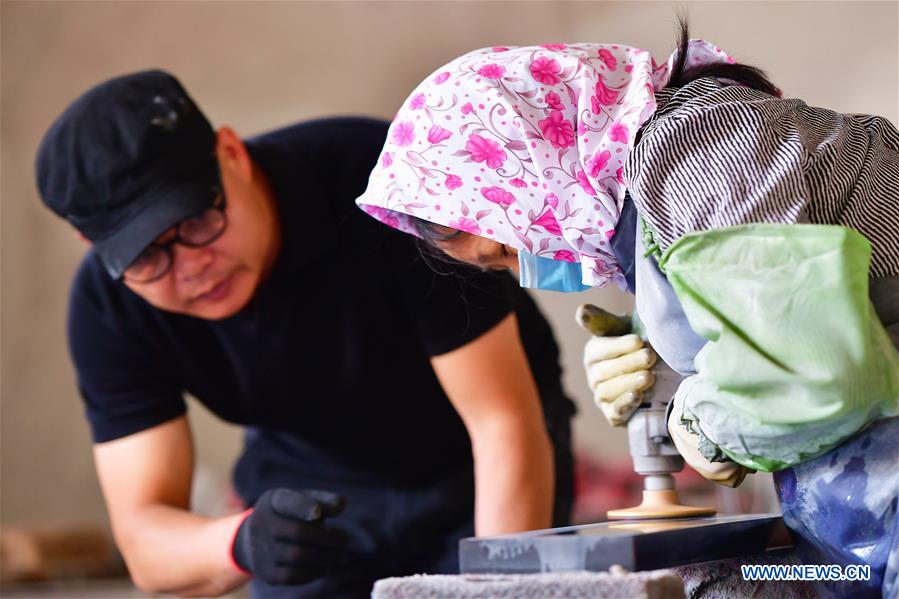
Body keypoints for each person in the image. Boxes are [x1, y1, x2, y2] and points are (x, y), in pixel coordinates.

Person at [355, 22, 899, 598]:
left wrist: (698, 424)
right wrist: (663, 362)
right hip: (851, 546)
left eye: (509, 248)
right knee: (724, 582)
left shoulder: (696, 149)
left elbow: (814, 366)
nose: (528, 269)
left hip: (883, 529)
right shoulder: (656, 196)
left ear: (532, 164)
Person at [35, 70, 577, 598]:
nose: (190, 266)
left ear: (232, 155)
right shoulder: (109, 308)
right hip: (320, 489)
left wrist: (498, 590)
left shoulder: (387, 188)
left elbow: (503, 423)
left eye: (198, 223)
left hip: (483, 452)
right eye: (148, 255)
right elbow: (143, 540)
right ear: (94, 246)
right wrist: (241, 542)